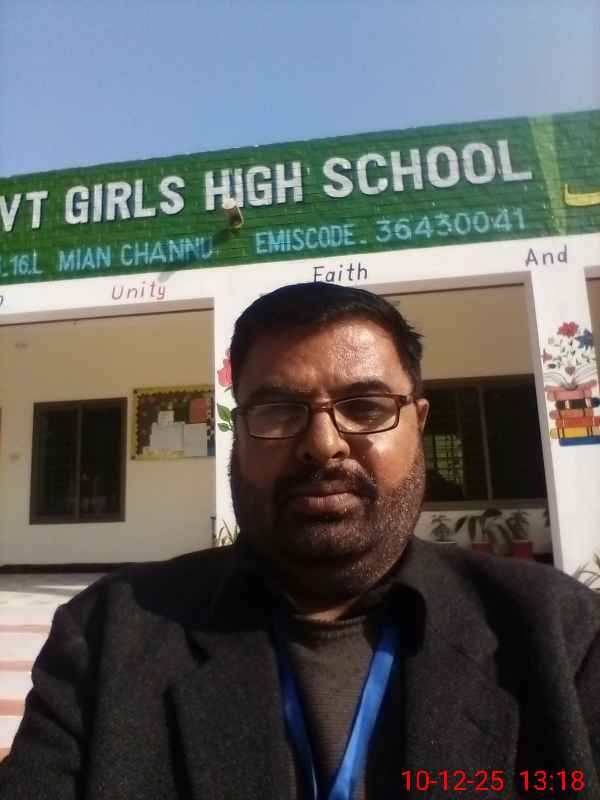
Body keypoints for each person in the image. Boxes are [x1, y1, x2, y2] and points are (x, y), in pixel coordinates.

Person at [1, 282, 599, 799]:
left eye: (365, 407)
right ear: (238, 432)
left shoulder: (560, 634)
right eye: (279, 410)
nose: (323, 444)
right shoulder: (108, 635)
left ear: (418, 423)